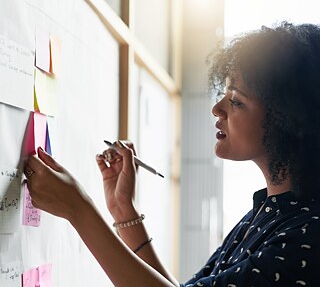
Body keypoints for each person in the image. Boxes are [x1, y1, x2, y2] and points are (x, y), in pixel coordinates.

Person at [24, 22, 320, 286]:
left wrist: (79, 210)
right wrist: (124, 211)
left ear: (289, 121)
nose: (217, 109)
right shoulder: (268, 213)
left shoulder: (305, 238)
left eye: (236, 101)